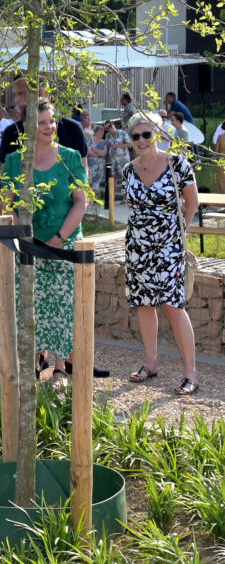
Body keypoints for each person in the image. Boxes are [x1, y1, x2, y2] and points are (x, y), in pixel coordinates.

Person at [2, 101, 89, 388]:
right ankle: (33, 361)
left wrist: (60, 238)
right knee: (31, 303)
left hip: (63, 244)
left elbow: (81, 201)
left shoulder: (70, 158)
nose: (49, 127)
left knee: (63, 306)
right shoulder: (16, 161)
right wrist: (22, 232)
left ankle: (60, 369)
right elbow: (6, 201)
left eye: (51, 121)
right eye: (41, 122)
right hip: (26, 246)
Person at [122, 112, 199, 395]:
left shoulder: (177, 163)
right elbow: (132, 209)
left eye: (146, 134)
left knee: (173, 306)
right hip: (138, 248)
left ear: (156, 133)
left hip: (169, 248)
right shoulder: (128, 170)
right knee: (144, 304)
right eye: (135, 136)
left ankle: (190, 372)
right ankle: (151, 363)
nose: (141, 140)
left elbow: (192, 203)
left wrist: (179, 235)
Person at [0, 77, 87, 165]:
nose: (16, 100)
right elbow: (4, 175)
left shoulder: (72, 130)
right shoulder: (11, 133)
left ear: (41, 93)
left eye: (22, 94)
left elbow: (82, 172)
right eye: (15, 94)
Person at [86, 124, 108, 195]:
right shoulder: (89, 140)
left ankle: (94, 197)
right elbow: (89, 152)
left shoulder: (104, 142)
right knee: (89, 180)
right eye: (101, 131)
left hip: (100, 164)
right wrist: (99, 153)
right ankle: (88, 197)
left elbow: (104, 153)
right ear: (96, 132)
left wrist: (94, 150)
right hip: (91, 163)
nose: (103, 133)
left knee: (97, 181)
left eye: (103, 131)